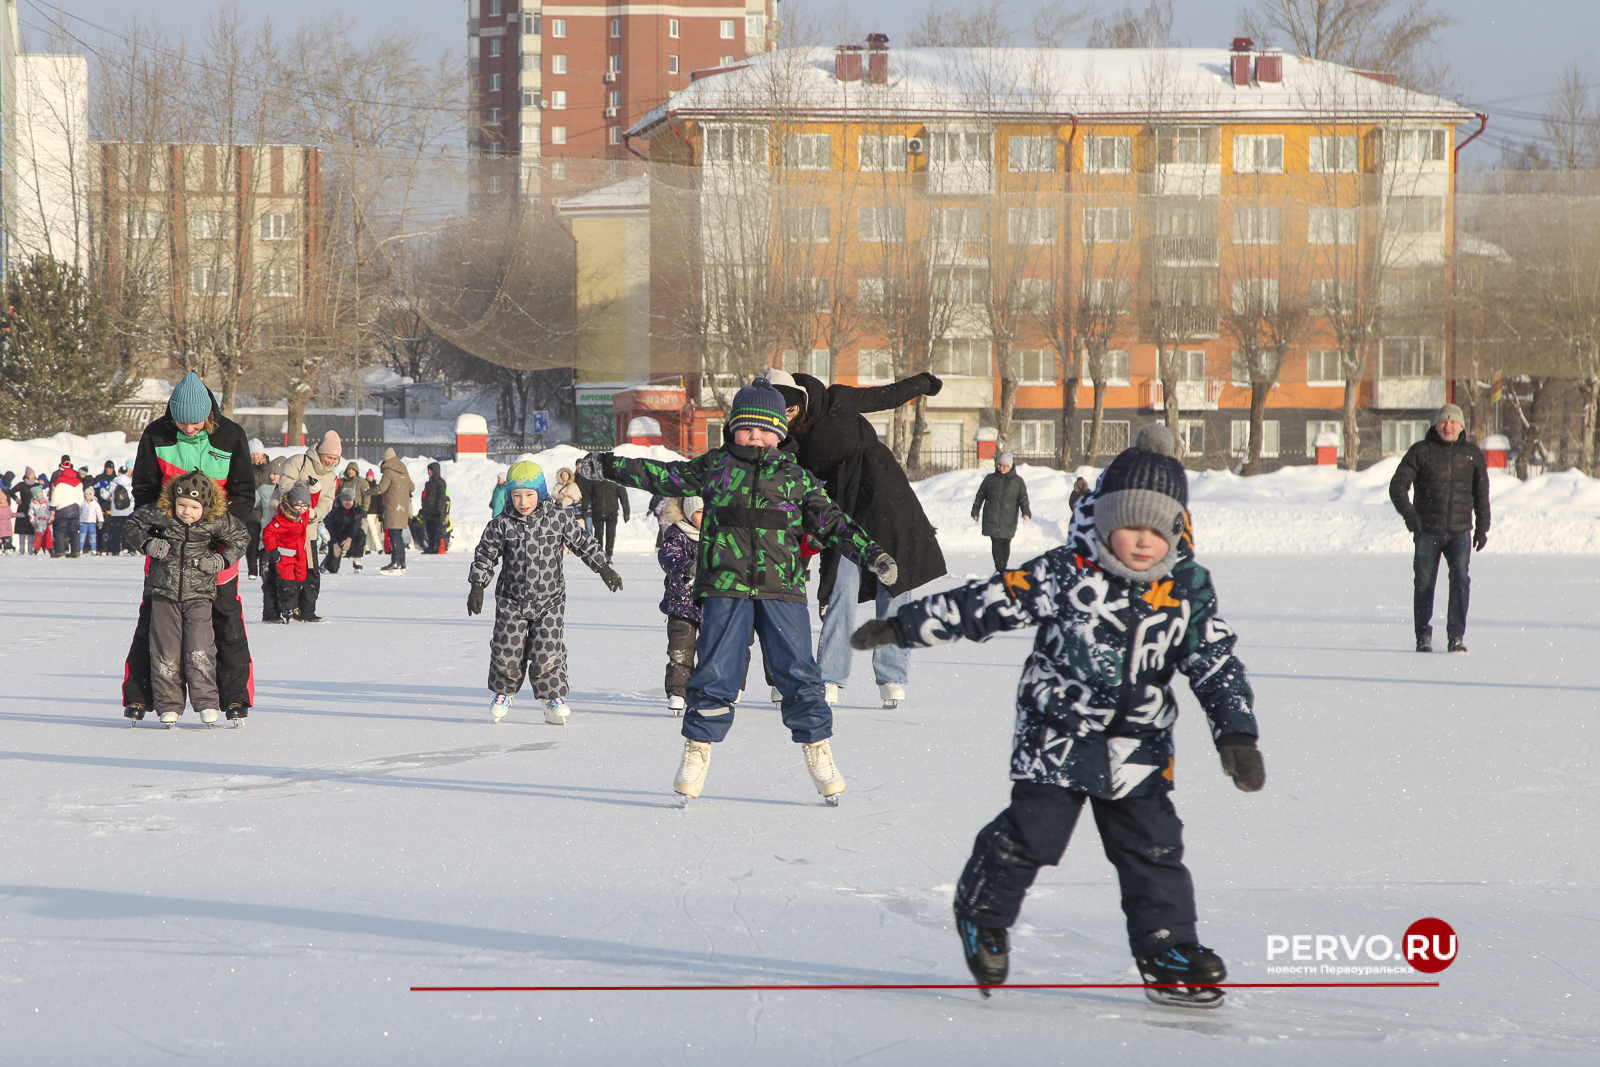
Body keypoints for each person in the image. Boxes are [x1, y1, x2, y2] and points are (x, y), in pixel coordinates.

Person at [852, 443, 1263, 1010]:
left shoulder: (1187, 588)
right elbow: (986, 602)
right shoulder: (1066, 571)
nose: (1144, 541)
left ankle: (1169, 951)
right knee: (1033, 835)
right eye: (1131, 525)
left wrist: (1236, 733)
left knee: (1153, 850)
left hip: (1139, 746)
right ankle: (982, 912)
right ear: (1106, 519)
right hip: (1056, 734)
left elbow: (1215, 662)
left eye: (1158, 529)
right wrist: (903, 626)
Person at [577, 377, 896, 805]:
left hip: (782, 590)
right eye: (747, 428)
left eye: (765, 429)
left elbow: (834, 523)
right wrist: (608, 466)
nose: (755, 436)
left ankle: (819, 750)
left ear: (779, 433)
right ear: (733, 430)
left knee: (799, 675)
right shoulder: (716, 467)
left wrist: (873, 554)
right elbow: (663, 476)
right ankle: (697, 751)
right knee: (715, 673)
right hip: (724, 588)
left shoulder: (796, 478)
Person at [774, 366, 948, 711]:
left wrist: (923, 383)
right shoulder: (787, 439)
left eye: (791, 410)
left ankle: (892, 676)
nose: (788, 418)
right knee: (841, 589)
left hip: (884, 497)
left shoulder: (839, 399)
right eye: (782, 414)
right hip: (841, 510)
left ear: (802, 401)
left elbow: (887, 396)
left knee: (894, 585)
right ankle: (830, 676)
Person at [123, 371, 257, 724]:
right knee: (155, 622)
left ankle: (234, 696)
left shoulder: (231, 435)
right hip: (168, 551)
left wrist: (220, 537)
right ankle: (140, 696)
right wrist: (157, 536)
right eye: (182, 422)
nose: (189, 427)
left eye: (195, 422)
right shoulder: (156, 434)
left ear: (208, 414)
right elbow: (144, 490)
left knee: (225, 618)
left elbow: (244, 493)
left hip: (215, 548)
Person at [468, 460, 623, 725]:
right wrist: (477, 586)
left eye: (529, 495)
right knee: (507, 649)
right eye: (516, 495)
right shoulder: (501, 524)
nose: (523, 502)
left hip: (550, 600)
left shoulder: (558, 519)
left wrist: (604, 568)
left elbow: (584, 542)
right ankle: (503, 693)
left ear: (540, 493)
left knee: (547, 651)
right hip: (512, 600)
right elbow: (485, 555)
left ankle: (552, 699)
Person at [122, 470, 250, 727]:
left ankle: (206, 702)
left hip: (199, 595)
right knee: (165, 649)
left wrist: (221, 560)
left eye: (194, 507)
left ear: (206, 506)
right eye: (181, 505)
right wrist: (148, 544)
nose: (186, 512)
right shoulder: (162, 514)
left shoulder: (216, 520)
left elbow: (241, 537)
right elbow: (131, 524)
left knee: (200, 648)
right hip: (164, 593)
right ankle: (168, 704)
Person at [1389, 403, 1491, 654]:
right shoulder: (1421, 451)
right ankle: (1423, 636)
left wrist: (1482, 528)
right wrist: (1410, 514)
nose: (1448, 426)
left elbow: (1481, 494)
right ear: (1435, 425)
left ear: (1461, 427)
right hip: (1427, 530)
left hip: (1460, 532)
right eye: (1444, 421)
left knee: (1460, 580)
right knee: (1424, 583)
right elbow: (1397, 486)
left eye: (1453, 422)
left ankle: (1456, 636)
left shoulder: (1472, 455)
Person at [269, 430, 343, 622]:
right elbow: (285, 487)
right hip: (284, 526)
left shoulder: (332, 477)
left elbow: (327, 502)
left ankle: (307, 611)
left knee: (311, 571)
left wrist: (314, 513)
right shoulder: (298, 462)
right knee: (280, 571)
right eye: (328, 456)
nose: (330, 461)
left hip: (308, 528)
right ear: (320, 452)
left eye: (335, 458)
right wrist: (306, 490)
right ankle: (273, 612)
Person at [656, 496, 703, 714]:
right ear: (688, 513)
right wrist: (687, 566)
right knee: (680, 650)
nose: (705, 517)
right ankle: (678, 691)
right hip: (680, 605)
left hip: (711, 605)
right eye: (700, 512)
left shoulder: (719, 535)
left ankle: (707, 690)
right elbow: (668, 555)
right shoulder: (677, 532)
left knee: (711, 651)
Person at [262, 483, 314, 622]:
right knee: (287, 584)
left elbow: (313, 499)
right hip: (285, 557)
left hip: (299, 556)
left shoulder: (304, 515)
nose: (302, 509)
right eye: (298, 506)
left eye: (305, 506)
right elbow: (268, 534)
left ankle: (294, 606)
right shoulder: (282, 520)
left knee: (299, 581)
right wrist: (273, 550)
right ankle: (287, 607)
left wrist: (314, 488)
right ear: (291, 505)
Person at [971, 452, 1032, 572]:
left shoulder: (1017, 481)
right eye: (1000, 465)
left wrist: (1026, 512)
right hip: (992, 517)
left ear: (1010, 466)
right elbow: (980, 496)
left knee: (1006, 543)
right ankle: (1000, 568)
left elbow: (1023, 498)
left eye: (1005, 466)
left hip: (1008, 518)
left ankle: (1003, 567)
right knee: (996, 543)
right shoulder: (990, 479)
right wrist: (975, 511)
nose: (1002, 468)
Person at [377, 448, 414, 574]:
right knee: (398, 535)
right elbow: (412, 487)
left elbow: (382, 488)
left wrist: (368, 492)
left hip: (393, 507)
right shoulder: (403, 470)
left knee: (394, 535)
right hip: (402, 508)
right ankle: (401, 562)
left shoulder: (389, 471)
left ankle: (396, 562)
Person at [584, 473, 630, 561]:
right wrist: (584, 509)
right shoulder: (594, 479)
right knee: (598, 534)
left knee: (610, 534)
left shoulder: (615, 479)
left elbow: (623, 496)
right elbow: (587, 495)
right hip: (597, 511)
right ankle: (600, 554)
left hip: (612, 512)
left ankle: (608, 555)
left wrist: (626, 512)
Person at [323, 490, 365, 573]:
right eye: (346, 500)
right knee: (333, 569)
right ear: (341, 500)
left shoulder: (357, 508)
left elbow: (355, 525)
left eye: (350, 501)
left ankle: (357, 558)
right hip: (336, 535)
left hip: (350, 534)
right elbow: (329, 527)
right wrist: (334, 544)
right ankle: (327, 561)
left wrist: (349, 538)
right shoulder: (333, 508)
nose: (348, 503)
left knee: (361, 533)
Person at [49, 457, 84, 558]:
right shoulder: (78, 482)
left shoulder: (60, 482)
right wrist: (76, 505)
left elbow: (56, 496)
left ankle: (60, 551)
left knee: (60, 531)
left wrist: (53, 507)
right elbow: (81, 497)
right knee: (74, 531)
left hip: (63, 509)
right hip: (75, 509)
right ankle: (75, 551)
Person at [245, 439, 270, 579]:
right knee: (252, 542)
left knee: (265, 540)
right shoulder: (246, 469)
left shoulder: (269, 469)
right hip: (252, 511)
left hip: (266, 510)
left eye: (258, 454)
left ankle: (264, 567)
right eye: (253, 454)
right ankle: (252, 569)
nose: (255, 457)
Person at [421, 461, 448, 553]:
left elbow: (441, 497)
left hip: (436, 512)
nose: (429, 472)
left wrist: (439, 510)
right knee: (429, 531)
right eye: (429, 470)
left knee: (438, 531)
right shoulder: (428, 484)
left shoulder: (440, 482)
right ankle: (431, 546)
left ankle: (438, 547)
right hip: (428, 511)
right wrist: (423, 509)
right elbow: (425, 498)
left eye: (431, 470)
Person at [107, 466, 135, 555]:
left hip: (116, 511)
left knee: (116, 532)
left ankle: (116, 550)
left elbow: (105, 495)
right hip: (129, 511)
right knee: (130, 531)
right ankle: (132, 549)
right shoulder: (131, 482)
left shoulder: (113, 482)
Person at [78, 483, 104, 555]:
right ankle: (80, 548)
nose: (86, 496)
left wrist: (101, 521)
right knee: (82, 536)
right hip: (83, 521)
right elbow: (79, 511)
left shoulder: (95, 503)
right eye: (85, 494)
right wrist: (78, 519)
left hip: (92, 522)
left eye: (88, 494)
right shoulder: (82, 503)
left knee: (92, 536)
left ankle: (93, 549)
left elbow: (99, 512)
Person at [0, 485, 15, 552]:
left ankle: (8, 548)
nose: (4, 502)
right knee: (2, 538)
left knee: (7, 538)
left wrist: (17, 515)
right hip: (1, 527)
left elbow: (10, 514)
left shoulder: (7, 507)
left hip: (7, 526)